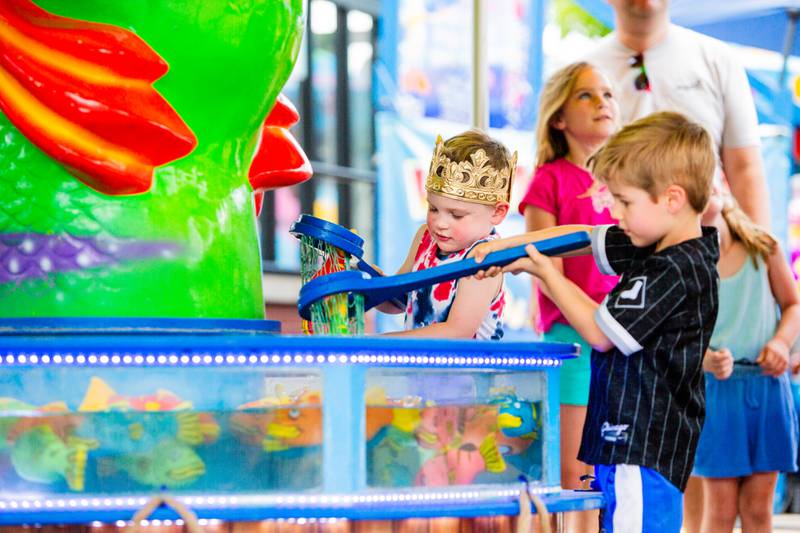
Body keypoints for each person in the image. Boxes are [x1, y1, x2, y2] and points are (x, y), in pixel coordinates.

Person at [472, 111, 719, 531]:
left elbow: (601, 333)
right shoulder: (655, 240)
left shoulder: (674, 269)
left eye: (624, 202)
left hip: (644, 449)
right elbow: (584, 237)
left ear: (672, 199)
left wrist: (545, 272)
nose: (615, 213)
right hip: (627, 448)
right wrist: (512, 246)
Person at [518, 61, 619, 531]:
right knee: (577, 471)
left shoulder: (625, 181)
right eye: (587, 95)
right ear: (558, 117)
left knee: (612, 470)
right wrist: (592, 319)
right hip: (575, 337)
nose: (603, 103)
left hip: (622, 336)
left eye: (608, 94)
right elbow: (545, 270)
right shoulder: (549, 180)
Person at [585, 0, 770, 229]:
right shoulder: (581, 72)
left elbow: (745, 168)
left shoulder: (717, 59)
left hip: (707, 246)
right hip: (615, 246)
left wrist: (759, 254)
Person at [690, 189, 800, 533]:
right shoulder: (684, 263)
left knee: (758, 509)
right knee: (720, 511)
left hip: (766, 390)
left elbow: (792, 304)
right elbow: (675, 335)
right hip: (715, 396)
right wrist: (704, 359)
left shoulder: (763, 247)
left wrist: (781, 344)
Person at [381, 129, 515, 339]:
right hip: (417, 369)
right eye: (433, 209)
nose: (440, 223)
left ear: (497, 213)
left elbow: (457, 332)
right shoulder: (425, 236)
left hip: (466, 372)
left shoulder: (483, 258)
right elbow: (399, 299)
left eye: (457, 215)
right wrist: (364, 284)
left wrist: (379, 342)